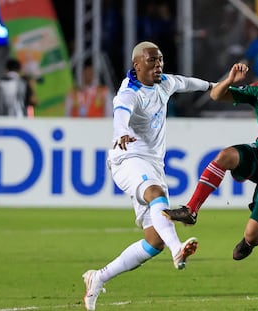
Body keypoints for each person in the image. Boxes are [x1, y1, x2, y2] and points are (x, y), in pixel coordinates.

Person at [82, 41, 215, 311]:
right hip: (127, 158)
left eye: (161, 60)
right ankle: (177, 249)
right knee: (156, 194)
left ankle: (98, 277)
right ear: (137, 65)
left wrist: (214, 86)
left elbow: (187, 82)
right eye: (152, 61)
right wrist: (120, 132)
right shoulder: (129, 93)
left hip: (153, 165)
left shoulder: (164, 82)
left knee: (154, 242)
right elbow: (121, 113)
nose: (158, 65)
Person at [163, 51, 258, 261]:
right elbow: (216, 95)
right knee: (224, 156)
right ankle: (191, 211)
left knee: (253, 234)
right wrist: (229, 80)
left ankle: (251, 241)